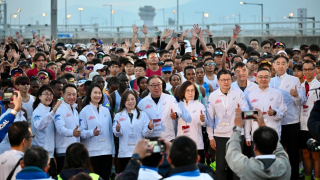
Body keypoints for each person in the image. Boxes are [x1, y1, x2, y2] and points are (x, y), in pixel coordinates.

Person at [226, 107, 291, 179]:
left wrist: (237, 128)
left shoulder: (246, 167)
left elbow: (232, 152)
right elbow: (279, 149)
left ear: (255, 147)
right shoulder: (284, 164)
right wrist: (262, 124)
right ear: (275, 147)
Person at [206, 69, 249, 180]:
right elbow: (210, 119)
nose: (226, 82)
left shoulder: (238, 93)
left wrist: (242, 111)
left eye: (228, 79)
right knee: (220, 166)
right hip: (220, 135)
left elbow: (247, 112)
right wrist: (211, 137)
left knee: (236, 167)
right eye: (223, 80)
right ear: (218, 81)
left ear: (231, 79)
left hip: (236, 134)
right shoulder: (213, 96)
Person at [269, 54, 306, 180]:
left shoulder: (294, 80)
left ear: (288, 65)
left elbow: (302, 102)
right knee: (277, 154)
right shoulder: (270, 81)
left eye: (283, 63)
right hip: (275, 123)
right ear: (273, 65)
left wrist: (296, 95)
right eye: (277, 63)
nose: (280, 66)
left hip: (291, 122)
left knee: (293, 154)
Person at [245, 68, 287, 154]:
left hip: (273, 133)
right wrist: (248, 137)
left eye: (266, 77)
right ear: (256, 79)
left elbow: (284, 112)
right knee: (257, 163)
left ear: (270, 78)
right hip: (256, 134)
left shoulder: (277, 93)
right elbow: (247, 117)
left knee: (273, 163)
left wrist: (275, 112)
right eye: (260, 77)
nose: (263, 79)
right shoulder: (250, 94)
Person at [79, 83, 115, 180]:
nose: (97, 95)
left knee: (105, 177)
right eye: (95, 93)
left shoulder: (106, 111)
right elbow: (81, 133)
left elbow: (110, 132)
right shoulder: (84, 111)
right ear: (89, 94)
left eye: (99, 93)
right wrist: (91, 133)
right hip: (92, 152)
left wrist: (112, 152)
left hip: (106, 152)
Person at [113, 90, 154, 172]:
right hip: (125, 152)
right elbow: (116, 133)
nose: (130, 102)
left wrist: (149, 128)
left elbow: (145, 133)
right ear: (123, 101)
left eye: (132, 99)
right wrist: (117, 129)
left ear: (136, 100)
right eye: (127, 100)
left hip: (139, 152)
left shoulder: (143, 114)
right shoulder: (118, 115)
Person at [138, 75, 181, 142]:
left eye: (159, 84)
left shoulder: (170, 98)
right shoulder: (142, 103)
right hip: (151, 139)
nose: (156, 87)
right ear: (148, 87)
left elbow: (178, 110)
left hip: (168, 138)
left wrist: (175, 114)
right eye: (153, 85)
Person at [31, 85, 62, 177]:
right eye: (46, 94)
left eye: (50, 94)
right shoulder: (37, 111)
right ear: (39, 96)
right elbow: (40, 126)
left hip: (51, 154)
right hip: (41, 155)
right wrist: (54, 111)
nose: (49, 97)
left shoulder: (49, 110)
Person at [299, 60, 320, 180]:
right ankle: (307, 178)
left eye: (309, 69)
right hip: (302, 125)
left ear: (315, 70)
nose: (307, 72)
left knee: (316, 155)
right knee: (305, 154)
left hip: (314, 126)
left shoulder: (318, 86)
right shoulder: (299, 86)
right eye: (304, 69)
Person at [177, 81, 207, 163]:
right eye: (187, 90)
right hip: (181, 145)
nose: (190, 93)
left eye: (192, 90)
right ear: (183, 91)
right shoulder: (178, 105)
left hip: (196, 144)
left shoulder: (200, 105)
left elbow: (204, 123)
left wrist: (202, 119)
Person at [54, 84, 81, 174]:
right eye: (69, 94)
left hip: (75, 151)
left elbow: (78, 132)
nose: (72, 97)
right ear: (62, 94)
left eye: (74, 94)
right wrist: (72, 133)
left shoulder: (75, 110)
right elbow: (60, 129)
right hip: (63, 151)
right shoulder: (59, 109)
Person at [0, 88, 27, 154]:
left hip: (18, 152)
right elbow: (7, 136)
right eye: (14, 100)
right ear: (9, 104)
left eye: (19, 99)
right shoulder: (5, 116)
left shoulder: (23, 115)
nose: (18, 101)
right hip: (6, 153)